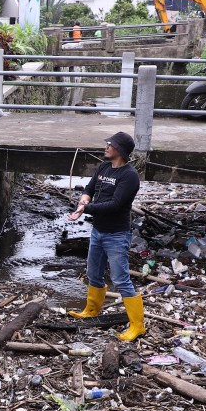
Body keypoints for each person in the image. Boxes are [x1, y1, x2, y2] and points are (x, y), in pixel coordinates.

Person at [66, 131, 145, 341]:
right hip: (98, 231)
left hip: (117, 235)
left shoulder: (129, 176)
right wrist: (84, 201)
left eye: (110, 144)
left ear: (120, 150)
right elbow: (90, 188)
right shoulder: (104, 167)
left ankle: (137, 326)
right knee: (93, 273)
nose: (106, 147)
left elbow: (115, 204)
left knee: (121, 279)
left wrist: (86, 209)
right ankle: (92, 310)